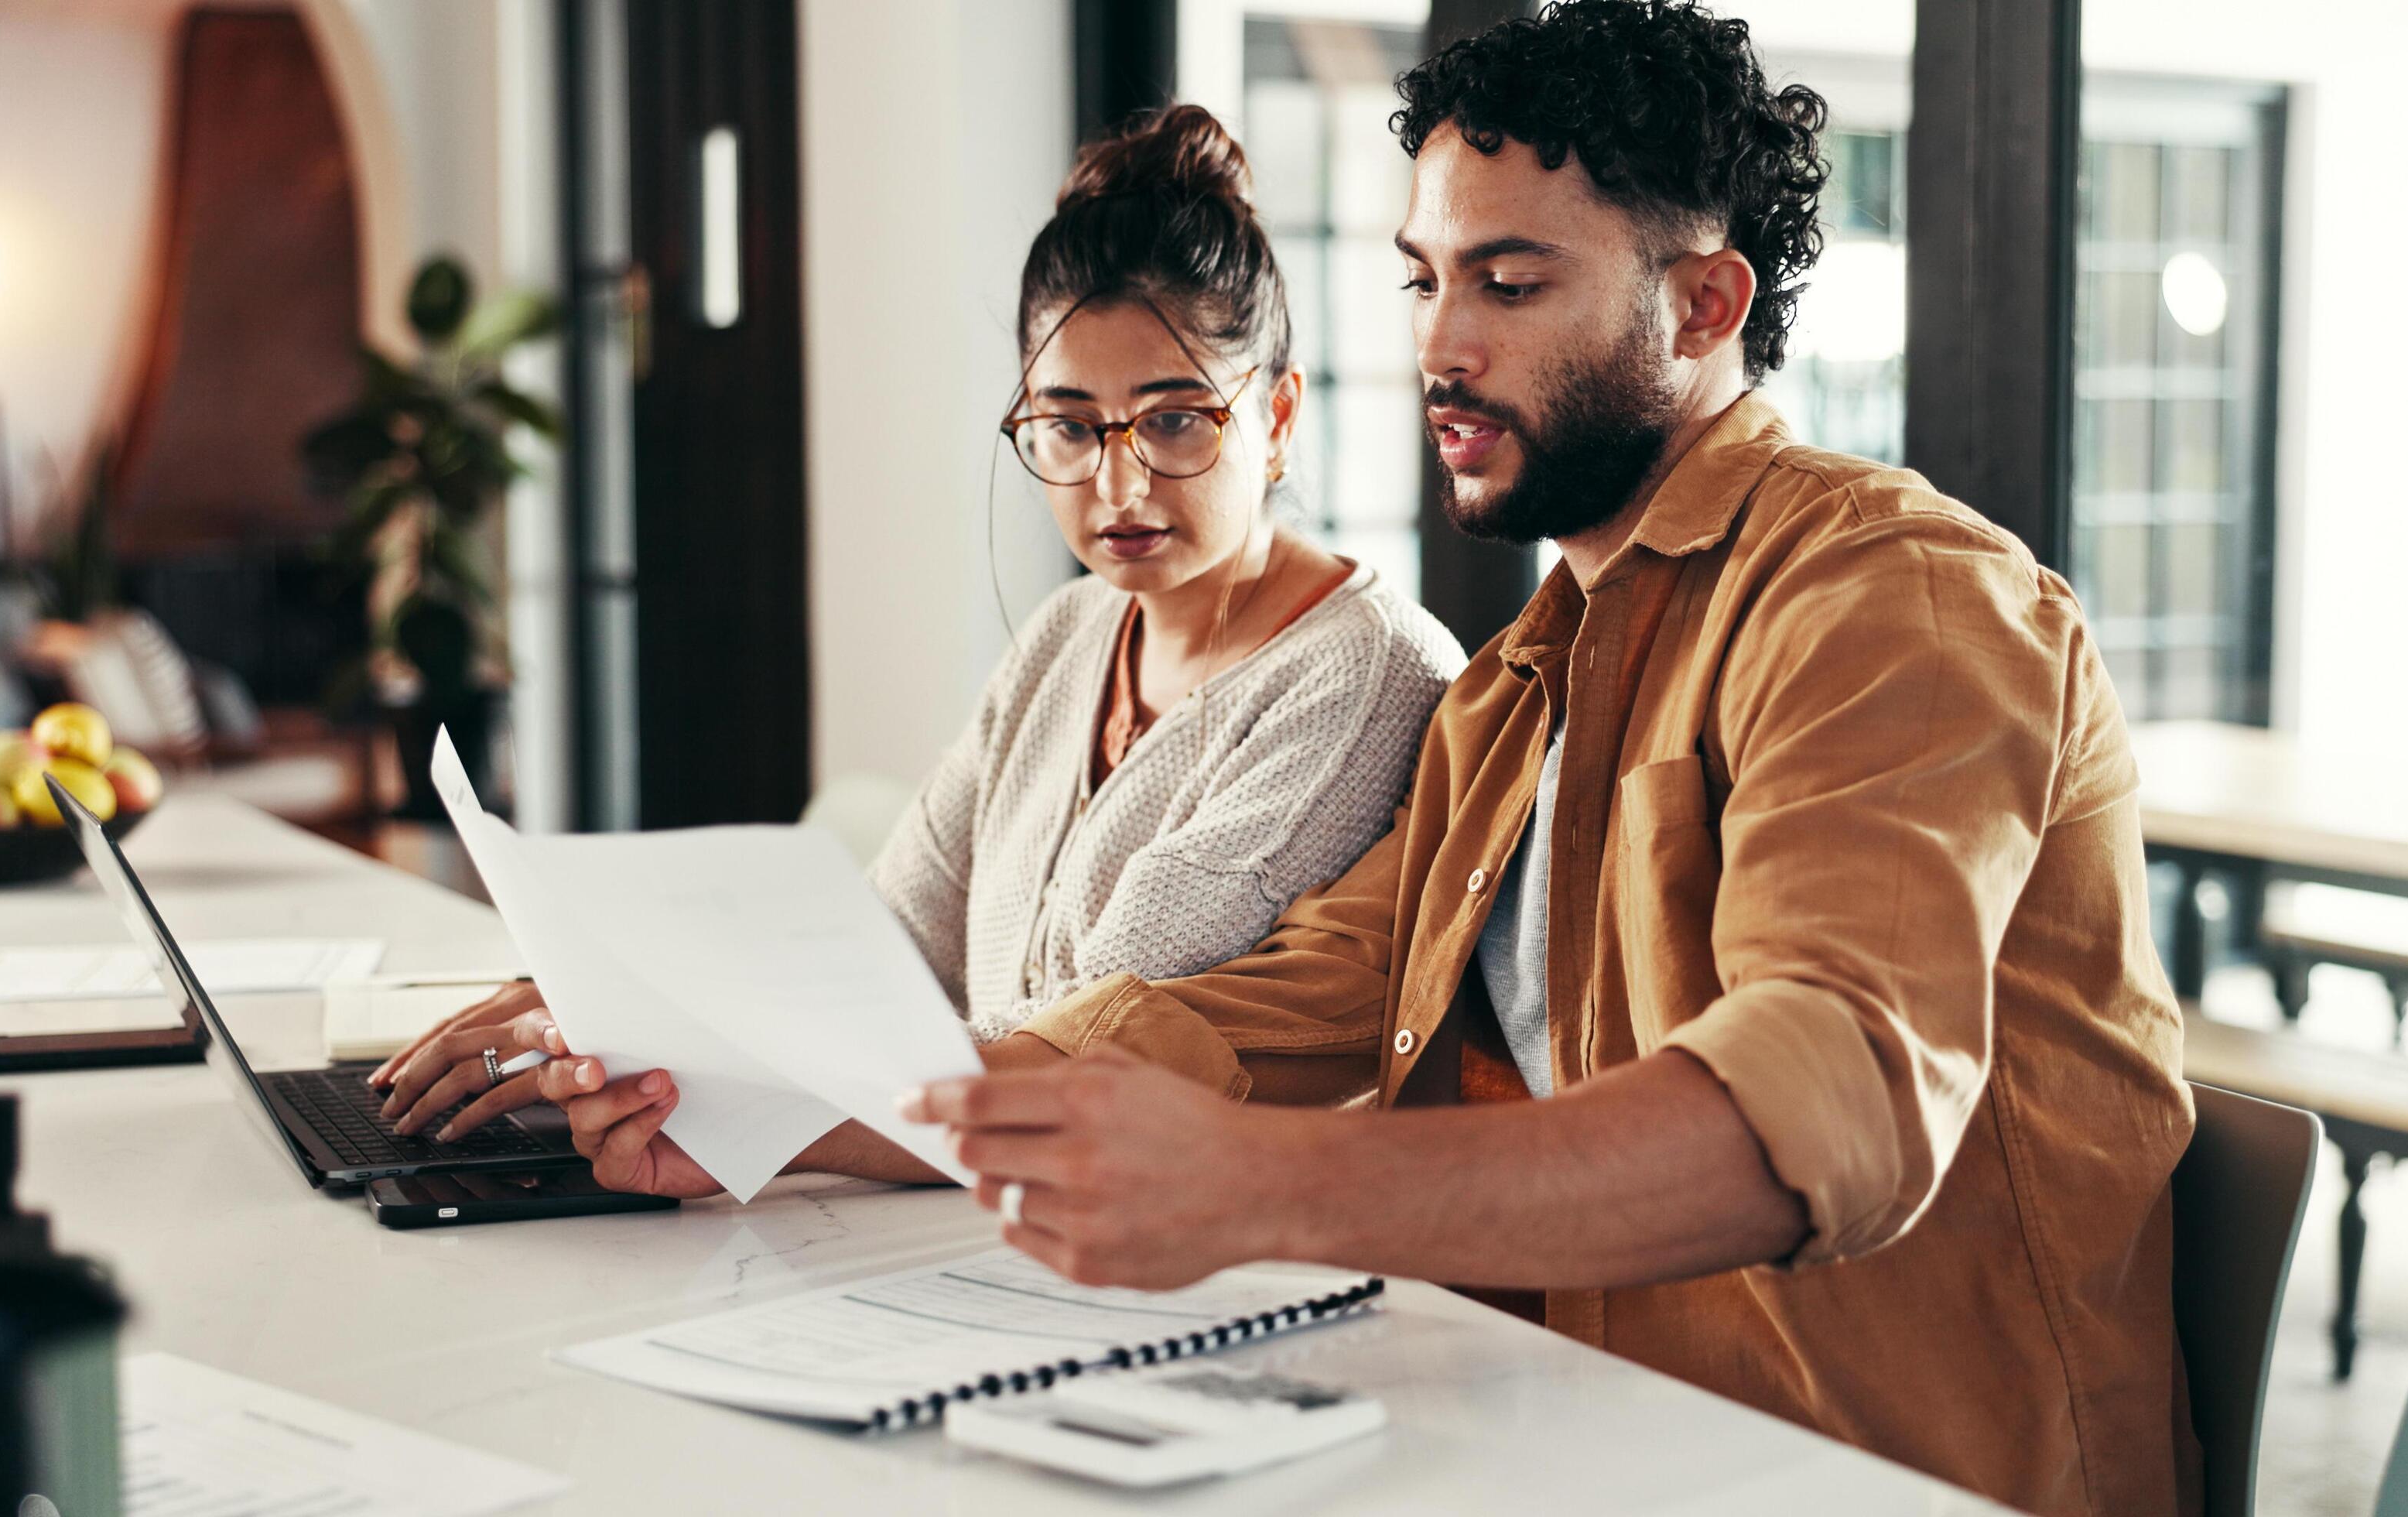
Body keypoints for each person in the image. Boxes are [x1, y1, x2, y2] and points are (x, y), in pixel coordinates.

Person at [878, 5, 2198, 1513]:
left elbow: (1826, 1100)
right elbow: (1260, 1010)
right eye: (1423, 280)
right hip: (1563, 1437)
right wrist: (762, 1113)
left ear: (1702, 305)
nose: (1440, 344)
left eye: (1507, 282)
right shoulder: (1515, 685)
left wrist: (1258, 1183)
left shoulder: (1889, 597)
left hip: (1870, 1472)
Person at [370, 106, 1462, 1178]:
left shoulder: (1363, 672)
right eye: (1069, 426)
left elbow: (1102, 1023)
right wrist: (617, 1002)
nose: (1115, 484)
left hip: (1175, 1245)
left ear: (1273, 419)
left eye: (1175, 420)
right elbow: (885, 945)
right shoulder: (1070, 633)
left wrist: (761, 1107)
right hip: (970, 1209)